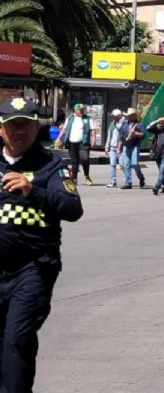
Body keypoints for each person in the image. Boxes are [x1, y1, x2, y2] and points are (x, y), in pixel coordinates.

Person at [0, 97, 84, 391]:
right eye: (12, 126)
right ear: (1, 129)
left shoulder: (52, 166)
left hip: (32, 270)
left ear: (36, 128)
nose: (18, 132)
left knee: (15, 341)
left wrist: (33, 190)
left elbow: (72, 208)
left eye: (25, 125)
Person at [55, 103, 93, 184]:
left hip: (83, 143)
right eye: (80, 110)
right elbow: (64, 129)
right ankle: (74, 178)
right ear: (75, 110)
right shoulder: (70, 118)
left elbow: (92, 130)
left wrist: (93, 140)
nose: (82, 111)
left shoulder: (88, 118)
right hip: (72, 143)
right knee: (74, 162)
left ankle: (87, 177)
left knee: (85, 159)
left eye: (83, 110)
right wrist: (58, 138)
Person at [118, 108, 146, 189]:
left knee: (134, 163)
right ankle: (128, 182)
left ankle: (141, 177)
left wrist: (135, 133)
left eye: (131, 115)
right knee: (126, 164)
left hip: (135, 145)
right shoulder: (124, 124)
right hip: (126, 145)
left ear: (134, 116)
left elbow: (143, 134)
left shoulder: (139, 124)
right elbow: (121, 136)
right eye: (129, 116)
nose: (129, 117)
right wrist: (119, 148)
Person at [104, 109, 124, 188]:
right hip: (112, 148)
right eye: (113, 116)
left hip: (122, 148)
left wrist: (122, 118)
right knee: (112, 165)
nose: (113, 118)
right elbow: (109, 137)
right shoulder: (112, 124)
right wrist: (106, 147)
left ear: (119, 116)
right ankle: (113, 182)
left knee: (123, 165)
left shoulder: (123, 124)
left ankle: (128, 181)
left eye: (115, 116)